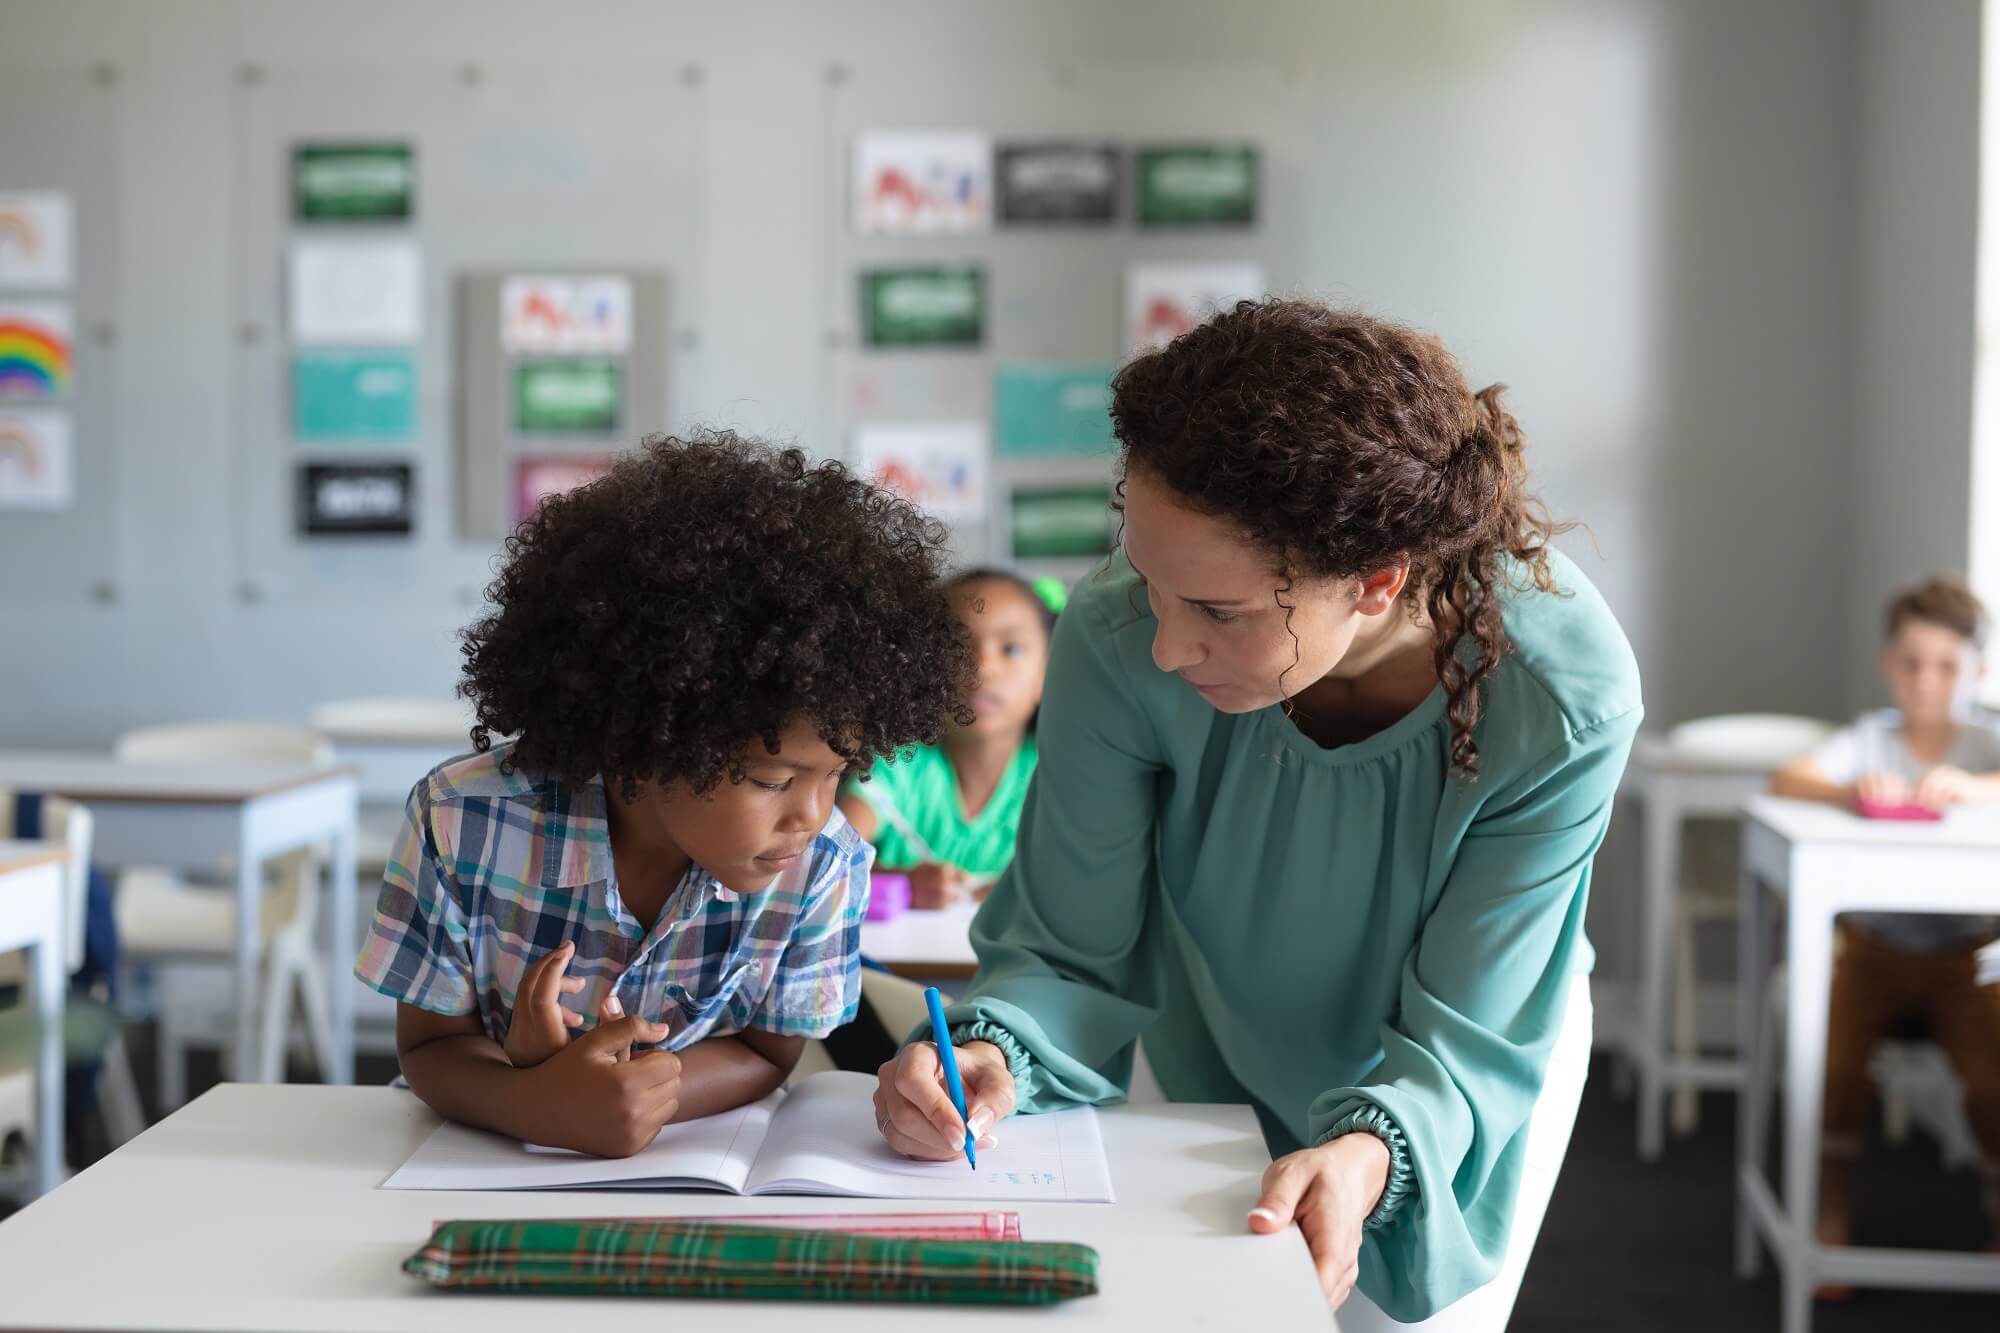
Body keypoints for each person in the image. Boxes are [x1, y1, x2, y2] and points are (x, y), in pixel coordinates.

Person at [870, 300, 1641, 1324]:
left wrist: (1372, 1149)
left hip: (1462, 1065)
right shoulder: (1109, 635)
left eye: (1219, 613)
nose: (1162, 648)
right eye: (1149, 584)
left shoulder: (1560, 696)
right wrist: (992, 1052)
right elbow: (1067, 947)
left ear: (1374, 582)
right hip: (1211, 1027)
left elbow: (1470, 1032)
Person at [355, 431, 973, 1158]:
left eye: (836, 772)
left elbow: (769, 1051)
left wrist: (643, 1088)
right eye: (773, 779)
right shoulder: (463, 819)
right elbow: (429, 1045)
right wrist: (531, 1101)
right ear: (644, 741)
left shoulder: (824, 866)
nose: (810, 814)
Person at [1770, 573, 2000, 1293]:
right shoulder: (1871, 740)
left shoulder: (1985, 743)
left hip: (1971, 958)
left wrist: (1975, 787)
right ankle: (1828, 1209)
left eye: (1945, 665)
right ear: (1887, 663)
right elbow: (1789, 779)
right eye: (1911, 662)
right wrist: (1852, 790)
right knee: (1832, 1073)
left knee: (1993, 1082)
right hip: (1872, 952)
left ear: (1975, 672)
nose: (1926, 681)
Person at [838, 566, 1055, 909]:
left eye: (1011, 649)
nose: (982, 666)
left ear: (1049, 672)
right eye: (957, 647)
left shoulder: (1058, 781)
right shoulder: (895, 766)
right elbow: (830, 864)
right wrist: (902, 885)